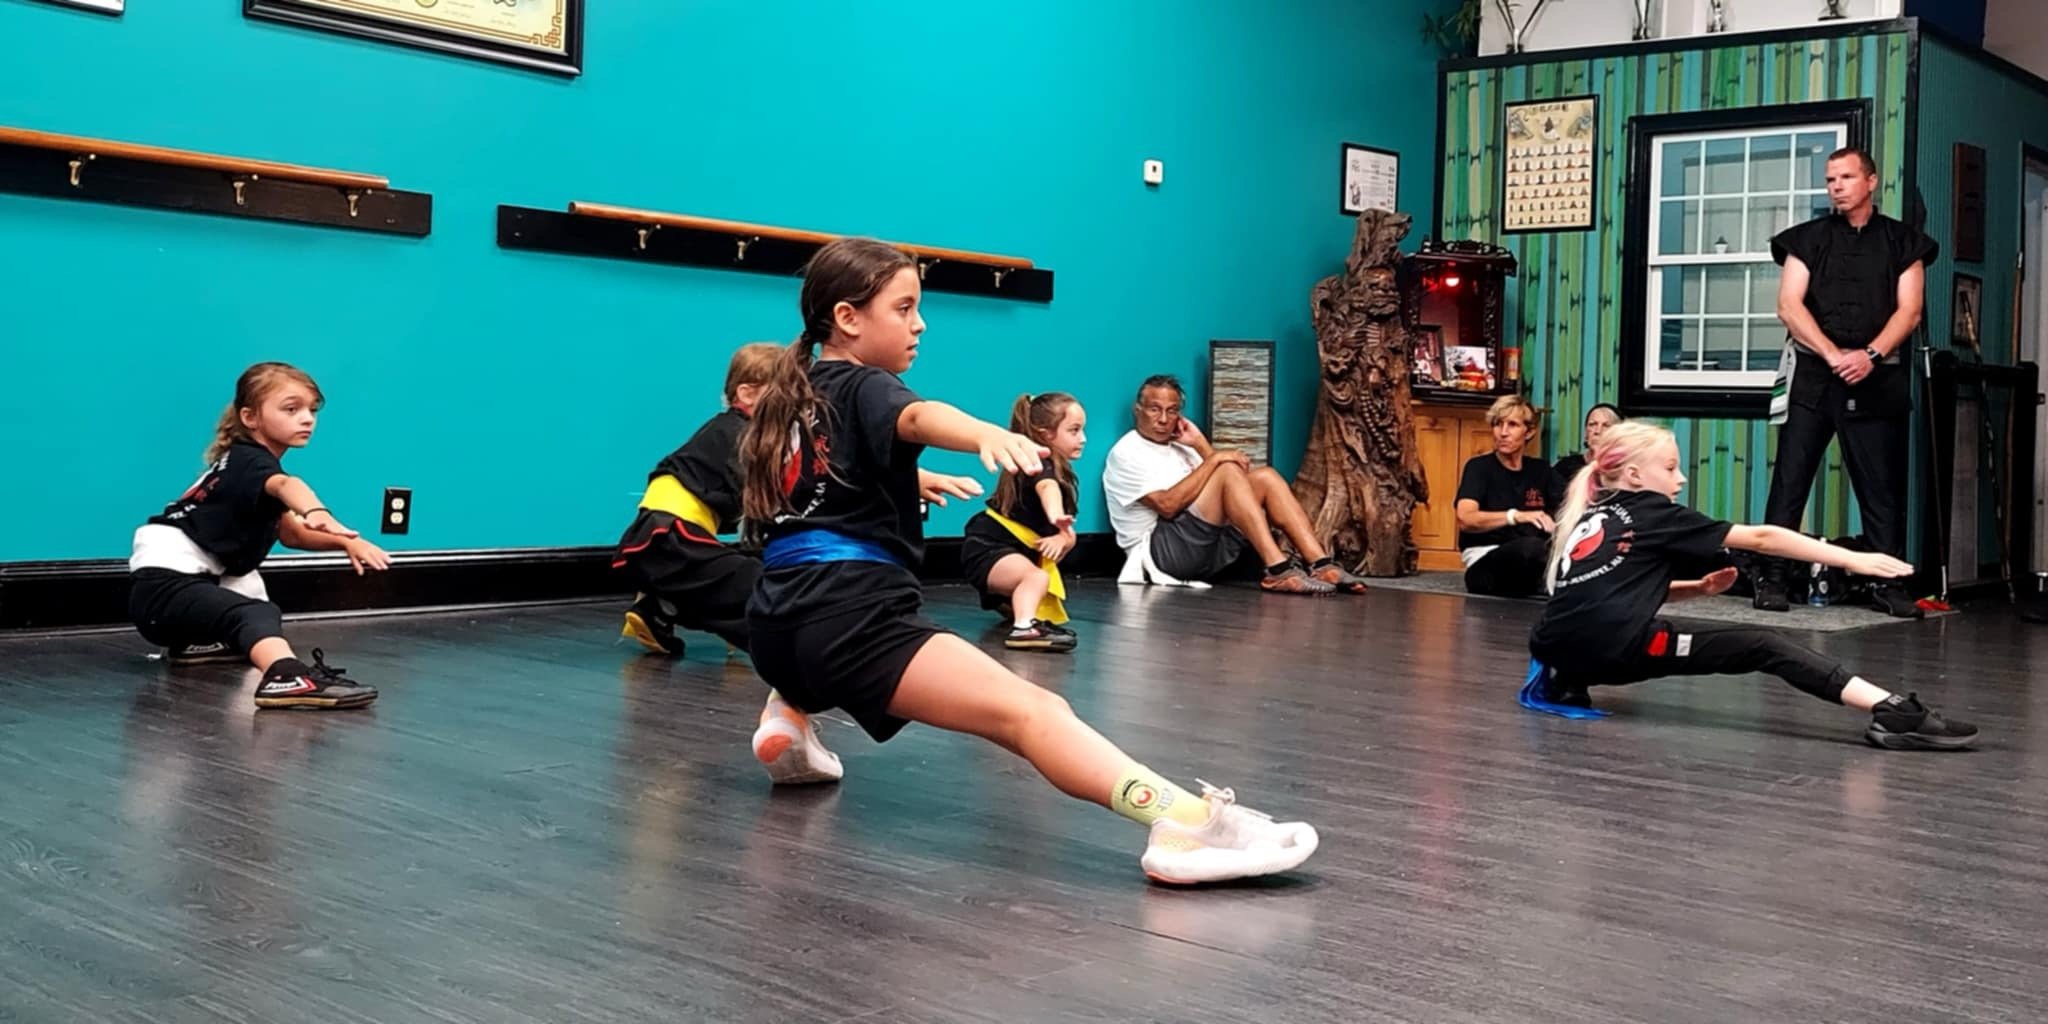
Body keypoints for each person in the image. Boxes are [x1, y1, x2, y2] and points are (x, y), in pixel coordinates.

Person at [738, 237, 1319, 883]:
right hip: (849, 620)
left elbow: (816, 487)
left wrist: (914, 480)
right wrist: (985, 433)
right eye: (904, 308)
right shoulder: (871, 385)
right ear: (848, 317)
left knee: (818, 657)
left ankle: (788, 714)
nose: (920, 323)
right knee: (1033, 714)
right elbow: (920, 416)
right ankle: (1183, 826)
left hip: (774, 628)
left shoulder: (794, 395)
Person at [1523, 421, 1977, 750]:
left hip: (1555, 648)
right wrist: (1854, 558)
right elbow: (1763, 537)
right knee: (1762, 643)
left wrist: (1698, 590)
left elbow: (1606, 593)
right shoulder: (1654, 513)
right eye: (1671, 468)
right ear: (1637, 477)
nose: (1680, 478)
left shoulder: (1592, 517)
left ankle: (1567, 680)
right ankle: (1894, 710)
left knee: (1643, 626)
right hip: (1614, 649)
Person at [127, 362, 388, 710]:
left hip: (171, 596)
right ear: (250, 418)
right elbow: (287, 486)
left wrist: (345, 542)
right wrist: (319, 513)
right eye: (291, 409)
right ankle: (285, 677)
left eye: (312, 410)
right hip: (167, 587)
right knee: (256, 615)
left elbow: (292, 533)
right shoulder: (252, 463)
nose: (307, 419)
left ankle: (198, 644)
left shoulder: (241, 467)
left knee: (254, 601)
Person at [1756, 146, 1938, 618]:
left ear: (1871, 182)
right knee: (1790, 482)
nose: (1836, 186)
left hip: (1877, 378)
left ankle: (1887, 584)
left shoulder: (1904, 242)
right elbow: (1789, 306)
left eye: (1846, 177)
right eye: (1830, 178)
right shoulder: (1806, 239)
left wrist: (1871, 355)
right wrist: (1836, 355)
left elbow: (1910, 310)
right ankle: (1772, 579)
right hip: (1816, 377)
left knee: (1881, 491)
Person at [1101, 375, 1367, 594]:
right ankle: (1277, 570)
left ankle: (1321, 563)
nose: (1162, 419)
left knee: (1266, 478)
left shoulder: (1182, 447)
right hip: (1162, 556)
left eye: (1171, 411)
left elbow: (1230, 482)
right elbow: (1168, 506)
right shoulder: (1126, 452)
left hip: (1207, 548)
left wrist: (1200, 444)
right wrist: (1216, 459)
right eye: (1154, 409)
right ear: (1138, 411)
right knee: (1225, 469)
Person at [613, 342, 782, 657]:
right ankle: (761, 635)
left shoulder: (725, 431)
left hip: (660, 539)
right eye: (785, 395)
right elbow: (762, 507)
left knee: (722, 576)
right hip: (672, 538)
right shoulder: (743, 437)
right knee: (764, 583)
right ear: (747, 394)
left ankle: (660, 608)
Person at [958, 392, 1086, 652]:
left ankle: (1022, 614)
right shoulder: (1038, 464)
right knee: (1036, 578)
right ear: (1045, 434)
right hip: (988, 546)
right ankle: (1024, 629)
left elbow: (1066, 538)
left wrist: (1063, 537)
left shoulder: (1060, 470)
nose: (1083, 438)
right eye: (1074, 430)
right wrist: (1055, 515)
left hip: (1013, 550)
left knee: (1035, 580)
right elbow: (1047, 488)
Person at [1454, 395, 1563, 598]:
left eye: (1512, 425)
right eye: (1498, 424)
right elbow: (1465, 518)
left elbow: (1568, 508)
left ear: (1529, 431)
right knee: (1531, 549)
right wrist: (1516, 516)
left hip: (1535, 556)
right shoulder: (1478, 468)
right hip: (1485, 561)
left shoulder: (1541, 470)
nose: (1503, 433)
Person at [1549, 402, 1619, 482]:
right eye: (1592, 424)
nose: (1598, 431)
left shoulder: (1624, 470)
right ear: (1586, 433)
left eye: (1606, 425)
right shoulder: (1565, 468)